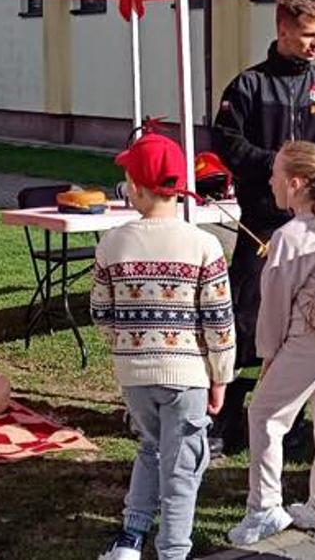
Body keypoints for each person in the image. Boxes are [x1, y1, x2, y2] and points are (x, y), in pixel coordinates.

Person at [210, 0, 315, 454]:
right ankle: (230, 419)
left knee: (307, 322)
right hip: (262, 225)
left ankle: (293, 419)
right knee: (248, 320)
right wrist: (279, 166)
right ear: (282, 32)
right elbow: (227, 143)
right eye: (306, 36)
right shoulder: (249, 87)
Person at [89, 132, 236, 560]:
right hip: (187, 376)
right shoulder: (204, 244)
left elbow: (101, 312)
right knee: (183, 468)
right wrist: (221, 377)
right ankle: (173, 551)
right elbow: (218, 321)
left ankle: (131, 538)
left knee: (151, 449)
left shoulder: (112, 243)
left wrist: (123, 347)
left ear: (135, 187)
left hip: (135, 377)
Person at [226, 142, 315, 546]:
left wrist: (269, 357)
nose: (269, 181)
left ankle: (264, 507)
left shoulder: (291, 236)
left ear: (294, 183)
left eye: (274, 174)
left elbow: (273, 307)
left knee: (265, 416)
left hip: (308, 337)